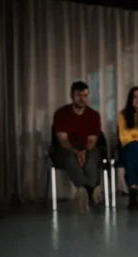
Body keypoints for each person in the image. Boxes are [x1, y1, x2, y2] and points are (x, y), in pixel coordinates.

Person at [52, 81, 103, 213]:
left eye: (85, 95)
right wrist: (76, 152)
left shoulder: (94, 115)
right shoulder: (61, 113)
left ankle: (85, 193)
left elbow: (92, 140)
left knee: (91, 159)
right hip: (67, 148)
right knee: (70, 158)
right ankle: (90, 190)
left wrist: (84, 151)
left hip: (87, 147)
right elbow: (63, 140)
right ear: (71, 96)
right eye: (79, 95)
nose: (82, 99)